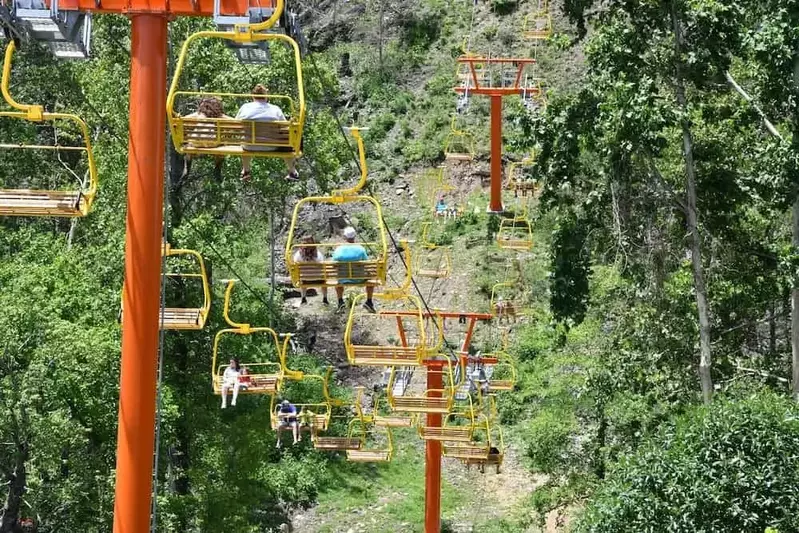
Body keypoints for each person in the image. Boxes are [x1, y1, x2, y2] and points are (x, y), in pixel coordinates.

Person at [236, 83, 298, 182]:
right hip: (271, 145)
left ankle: (246, 170)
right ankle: (292, 171)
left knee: (247, 139)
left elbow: (236, 125)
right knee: (288, 142)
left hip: (249, 145)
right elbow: (285, 127)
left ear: (253, 96)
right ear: (267, 96)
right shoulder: (275, 109)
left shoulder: (245, 107)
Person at [183, 97, 231, 182]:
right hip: (213, 143)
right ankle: (218, 166)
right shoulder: (219, 115)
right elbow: (235, 121)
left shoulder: (198, 114)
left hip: (196, 142)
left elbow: (183, 119)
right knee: (222, 145)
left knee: (189, 144)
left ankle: (188, 166)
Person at [332, 226, 375, 313]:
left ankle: (340, 301)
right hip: (359, 278)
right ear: (354, 236)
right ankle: (369, 301)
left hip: (343, 279)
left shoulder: (338, 249)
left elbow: (334, 265)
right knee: (371, 278)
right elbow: (367, 263)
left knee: (337, 279)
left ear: (344, 237)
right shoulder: (360, 249)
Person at [292, 235, 329, 306]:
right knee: (324, 278)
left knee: (302, 277)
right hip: (319, 279)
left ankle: (303, 298)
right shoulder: (318, 254)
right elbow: (323, 264)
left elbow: (295, 264)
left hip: (304, 279)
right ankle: (325, 298)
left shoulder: (298, 254)